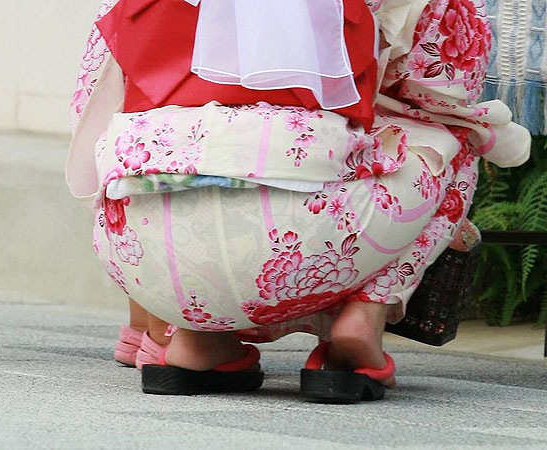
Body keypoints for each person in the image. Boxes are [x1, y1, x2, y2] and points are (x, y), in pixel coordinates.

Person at [67, 0, 530, 403]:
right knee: (455, 140)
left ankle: (197, 338)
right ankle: (363, 322)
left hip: (139, 250)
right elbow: (439, 96)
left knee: (192, 151)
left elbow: (93, 107)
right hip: (298, 241)